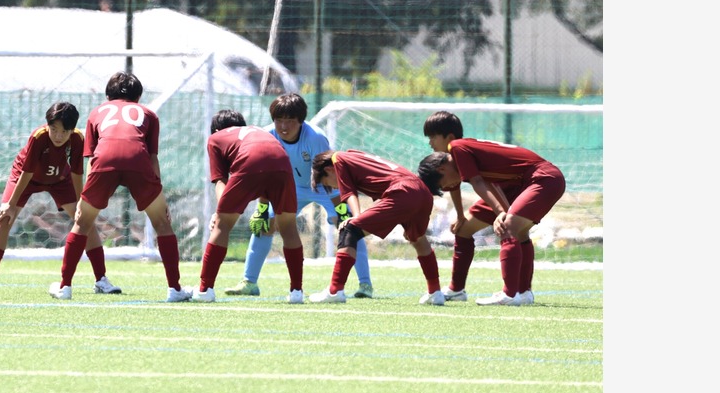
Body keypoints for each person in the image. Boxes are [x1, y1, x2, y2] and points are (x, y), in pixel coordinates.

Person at [49, 71, 191, 302]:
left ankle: (65, 286)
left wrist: (84, 199)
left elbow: (92, 159)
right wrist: (160, 195)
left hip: (104, 161)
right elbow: (152, 158)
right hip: (139, 160)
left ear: (108, 94)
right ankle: (175, 289)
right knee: (163, 224)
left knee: (82, 224)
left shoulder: (97, 112)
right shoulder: (149, 114)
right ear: (138, 97)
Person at [225, 93, 373, 298]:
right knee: (265, 224)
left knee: (350, 229)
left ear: (301, 122)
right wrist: (261, 210)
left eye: (290, 121)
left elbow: (329, 176)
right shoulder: (266, 136)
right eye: (279, 120)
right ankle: (249, 282)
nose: (284, 126)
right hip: (290, 188)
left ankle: (365, 285)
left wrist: (341, 211)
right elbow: (266, 177)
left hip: (324, 186)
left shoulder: (316, 138)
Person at [417, 110, 567, 306]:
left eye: (432, 137)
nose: (429, 143)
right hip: (515, 186)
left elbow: (479, 182)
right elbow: (480, 183)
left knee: (509, 227)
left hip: (541, 178)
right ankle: (459, 290)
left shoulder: (457, 148)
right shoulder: (457, 157)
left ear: (449, 138)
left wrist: (501, 213)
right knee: (465, 229)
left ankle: (510, 294)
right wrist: (462, 215)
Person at [0, 102, 120, 294]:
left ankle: (101, 280)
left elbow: (77, 173)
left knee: (86, 221)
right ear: (47, 126)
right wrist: (10, 205)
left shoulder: (78, 139)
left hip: (60, 180)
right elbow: (26, 172)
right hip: (25, 178)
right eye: (54, 129)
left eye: (64, 131)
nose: (58, 136)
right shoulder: (39, 137)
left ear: (72, 130)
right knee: (4, 218)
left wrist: (81, 203)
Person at [184, 110, 304, 303]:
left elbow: (220, 181)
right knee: (289, 228)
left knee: (222, 227)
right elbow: (268, 163)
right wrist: (263, 209)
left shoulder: (216, 138)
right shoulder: (258, 131)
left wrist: (220, 213)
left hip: (252, 161)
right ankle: (297, 292)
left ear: (215, 130)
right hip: (282, 163)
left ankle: (205, 290)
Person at [307, 150, 445, 305]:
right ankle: (435, 293)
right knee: (419, 240)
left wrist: (356, 217)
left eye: (328, 183)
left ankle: (334, 291)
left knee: (349, 229)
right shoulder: (353, 154)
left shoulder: (338, 159)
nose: (333, 188)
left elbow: (349, 194)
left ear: (328, 170)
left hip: (403, 191)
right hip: (422, 193)